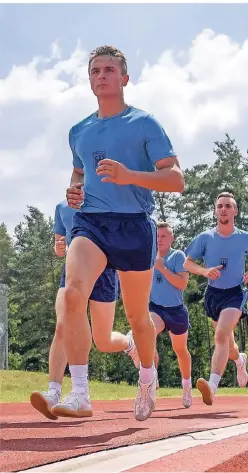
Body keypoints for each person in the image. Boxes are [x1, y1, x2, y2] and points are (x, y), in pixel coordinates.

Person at [51, 45, 184, 422]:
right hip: (90, 222)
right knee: (74, 294)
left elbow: (176, 179)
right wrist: (74, 190)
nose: (102, 75)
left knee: (139, 317)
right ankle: (79, 393)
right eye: (95, 70)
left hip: (133, 224)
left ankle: (147, 377)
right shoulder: (79, 131)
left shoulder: (144, 123)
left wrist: (130, 176)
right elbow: (79, 172)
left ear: (124, 78)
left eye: (110, 69)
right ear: (90, 79)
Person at [30, 200, 139, 420]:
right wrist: (59, 248)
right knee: (63, 324)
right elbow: (59, 245)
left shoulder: (103, 198)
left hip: (103, 269)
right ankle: (54, 392)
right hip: (72, 269)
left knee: (104, 339)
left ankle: (130, 344)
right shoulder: (61, 207)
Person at [184, 192, 248, 406]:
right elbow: (187, 262)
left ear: (235, 210)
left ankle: (211, 387)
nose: (223, 209)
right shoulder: (205, 238)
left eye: (228, 205)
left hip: (235, 293)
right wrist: (204, 271)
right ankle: (240, 360)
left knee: (220, 336)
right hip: (213, 295)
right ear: (215, 210)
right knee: (228, 345)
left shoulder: (245, 237)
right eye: (220, 205)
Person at [150, 222, 192, 407]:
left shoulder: (178, 256)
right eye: (157, 236)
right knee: (147, 332)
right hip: (155, 308)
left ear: (171, 238)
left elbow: (182, 284)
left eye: (164, 236)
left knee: (180, 350)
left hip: (176, 310)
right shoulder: (149, 256)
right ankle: (151, 376)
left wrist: (162, 268)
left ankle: (186, 386)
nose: (159, 239)